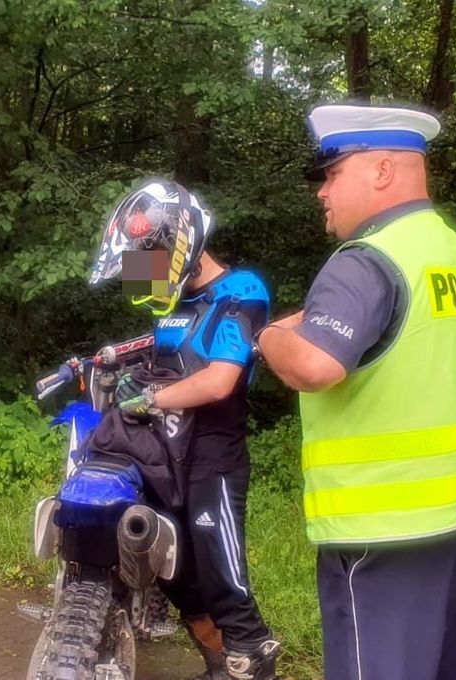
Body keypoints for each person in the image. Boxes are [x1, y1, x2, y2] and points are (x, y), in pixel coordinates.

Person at [254, 104, 456, 680]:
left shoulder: (368, 259)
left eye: (333, 173)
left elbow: (315, 364)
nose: (322, 191)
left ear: (383, 170)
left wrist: (267, 335)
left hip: (386, 537)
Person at [91, 181, 281, 680]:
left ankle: (251, 660)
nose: (143, 272)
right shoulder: (168, 303)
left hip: (213, 455)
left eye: (147, 258)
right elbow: (162, 352)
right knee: (171, 568)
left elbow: (219, 380)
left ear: (180, 247)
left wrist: (149, 398)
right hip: (161, 452)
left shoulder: (241, 291)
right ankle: (219, 662)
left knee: (223, 578)